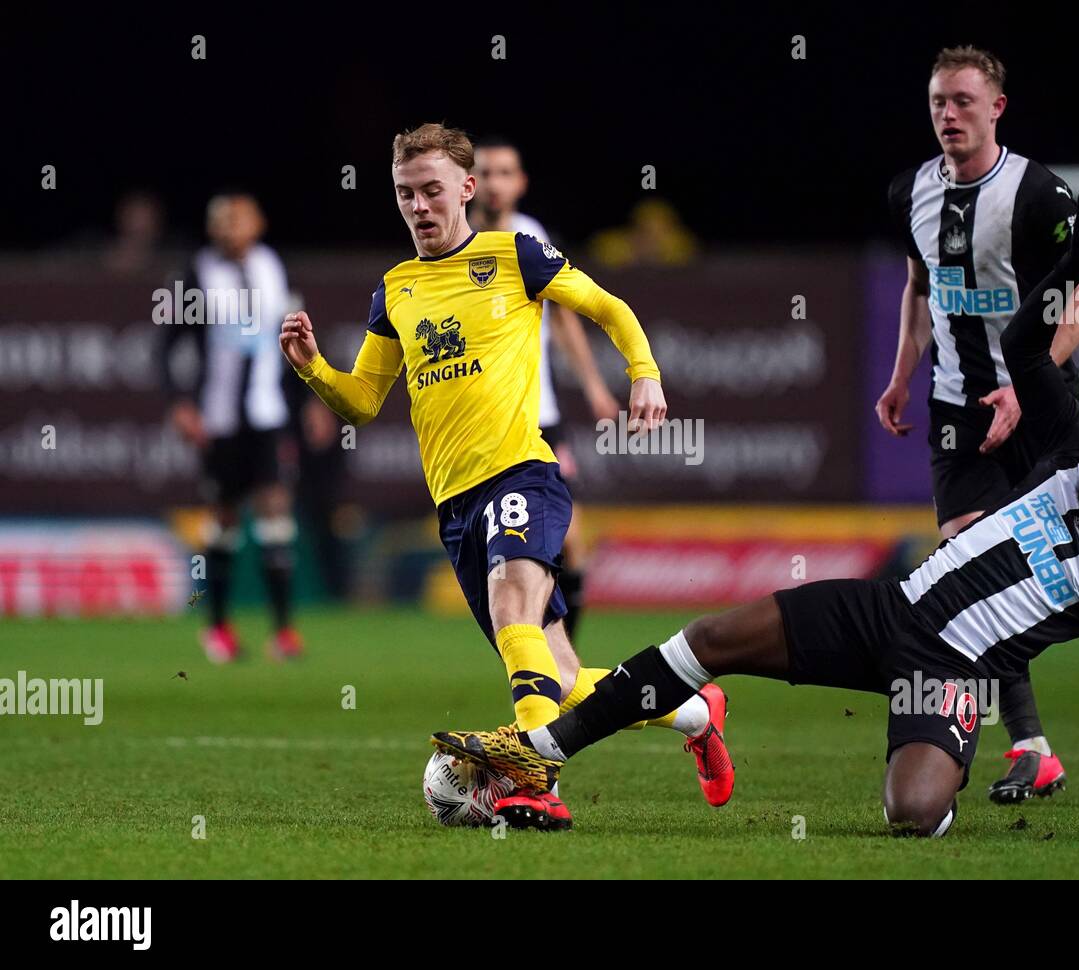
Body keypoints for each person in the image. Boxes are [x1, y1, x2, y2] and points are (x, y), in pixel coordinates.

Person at [435, 172, 1079, 841]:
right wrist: (1071, 268)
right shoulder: (1071, 446)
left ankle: (980, 751)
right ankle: (536, 756)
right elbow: (1023, 348)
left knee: (910, 815)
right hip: (888, 610)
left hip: (946, 672)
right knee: (709, 639)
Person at [280, 124, 732, 830]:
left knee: (511, 602)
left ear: (466, 188)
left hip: (523, 470)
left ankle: (534, 782)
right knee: (561, 677)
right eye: (406, 194)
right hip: (455, 506)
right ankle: (695, 713)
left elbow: (607, 307)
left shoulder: (512, 253)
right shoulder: (394, 290)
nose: (420, 206)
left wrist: (644, 374)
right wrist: (312, 367)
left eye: (433, 190)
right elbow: (362, 402)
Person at [876, 46, 1079, 803]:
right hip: (952, 410)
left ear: (997, 107)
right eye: (938, 101)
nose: (949, 115)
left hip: (1041, 406)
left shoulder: (1038, 193)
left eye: (964, 101)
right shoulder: (910, 191)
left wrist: (1020, 384)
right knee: (971, 571)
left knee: (1067, 569)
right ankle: (1032, 748)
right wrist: (902, 374)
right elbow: (916, 289)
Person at [469, 135, 621, 640]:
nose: (494, 183)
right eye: (485, 173)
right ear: (469, 183)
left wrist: (596, 387)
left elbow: (564, 321)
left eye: (504, 173)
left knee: (571, 542)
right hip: (482, 419)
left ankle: (561, 670)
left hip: (540, 415)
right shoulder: (452, 240)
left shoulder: (531, 237)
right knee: (504, 555)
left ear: (520, 183)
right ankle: (539, 669)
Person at [161, 193, 305, 663]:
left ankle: (283, 632)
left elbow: (295, 335)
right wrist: (180, 403)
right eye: (220, 220)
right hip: (219, 419)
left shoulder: (272, 266)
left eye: (237, 219)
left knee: (274, 515)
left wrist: (311, 400)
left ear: (257, 224)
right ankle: (217, 628)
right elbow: (165, 344)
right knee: (222, 522)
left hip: (265, 413)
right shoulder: (197, 274)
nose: (228, 227)